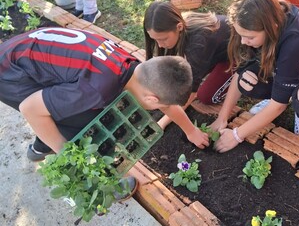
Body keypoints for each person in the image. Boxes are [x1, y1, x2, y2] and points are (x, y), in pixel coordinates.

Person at [0, 27, 209, 170]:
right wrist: (69, 156)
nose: (162, 108)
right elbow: (30, 108)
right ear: (153, 100)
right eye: (161, 105)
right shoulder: (95, 90)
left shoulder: (135, 67)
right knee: (81, 124)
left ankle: (40, 146)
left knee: (73, 107)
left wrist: (191, 130)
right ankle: (48, 147)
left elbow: (164, 99)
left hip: (29, 51)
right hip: (10, 74)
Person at [210, 0, 299, 153]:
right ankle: (281, 94)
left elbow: (278, 107)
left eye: (250, 37)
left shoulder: (295, 40)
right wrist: (222, 118)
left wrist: (236, 135)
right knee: (246, 78)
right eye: (241, 35)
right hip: (288, 70)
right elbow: (239, 74)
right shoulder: (261, 27)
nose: (244, 41)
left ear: (272, 26)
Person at [144, 0, 233, 129]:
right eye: (155, 40)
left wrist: (163, 122)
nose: (160, 45)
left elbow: (191, 92)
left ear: (179, 27)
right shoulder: (178, 25)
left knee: (206, 96)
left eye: (163, 39)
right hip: (215, 50)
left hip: (238, 55)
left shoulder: (198, 44)